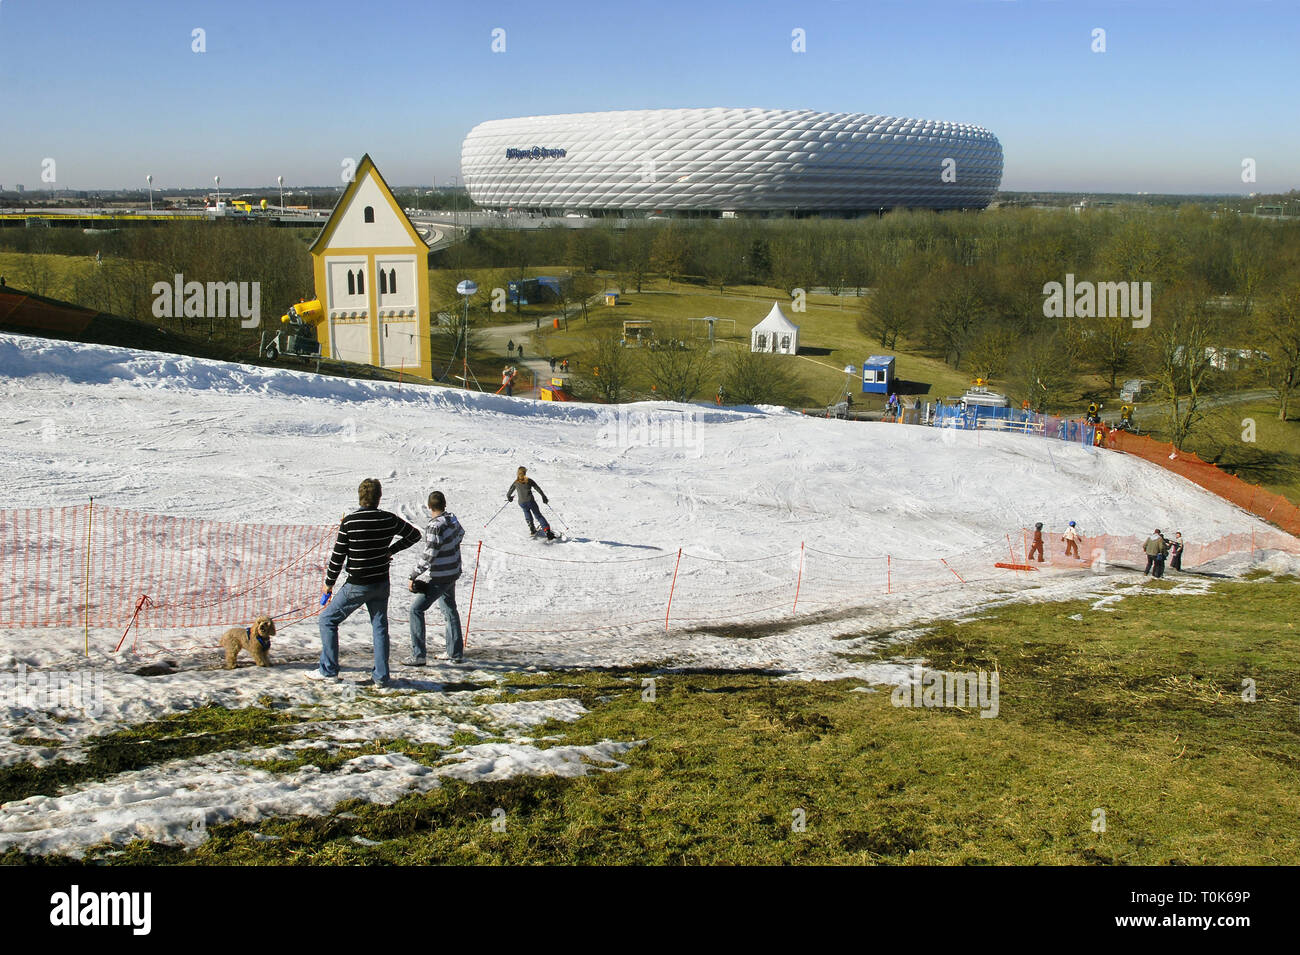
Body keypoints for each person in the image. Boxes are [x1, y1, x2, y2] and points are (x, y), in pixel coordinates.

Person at [314, 478, 421, 685]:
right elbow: (414, 535)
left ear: (360, 497)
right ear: (379, 498)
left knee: (327, 620)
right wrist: (391, 550)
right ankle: (381, 677)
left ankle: (328, 670)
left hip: (357, 582)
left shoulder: (350, 522)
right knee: (379, 627)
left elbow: (338, 556)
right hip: (381, 582)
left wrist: (329, 583)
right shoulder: (388, 519)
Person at [407, 490, 466, 665]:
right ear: (444, 504)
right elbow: (461, 534)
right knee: (449, 610)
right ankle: (454, 653)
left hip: (440, 576)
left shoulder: (434, 526)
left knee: (416, 610)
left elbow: (429, 554)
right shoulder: (452, 520)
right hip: (453, 571)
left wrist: (414, 575)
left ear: (429, 506)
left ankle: (418, 655)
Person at [508, 466, 554, 540]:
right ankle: (547, 532)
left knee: (526, 512)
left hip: (522, 503)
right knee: (538, 516)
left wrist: (509, 498)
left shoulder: (515, 482)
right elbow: (538, 488)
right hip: (530, 501)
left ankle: (532, 528)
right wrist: (543, 497)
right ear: (525, 473)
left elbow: (508, 493)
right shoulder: (529, 480)